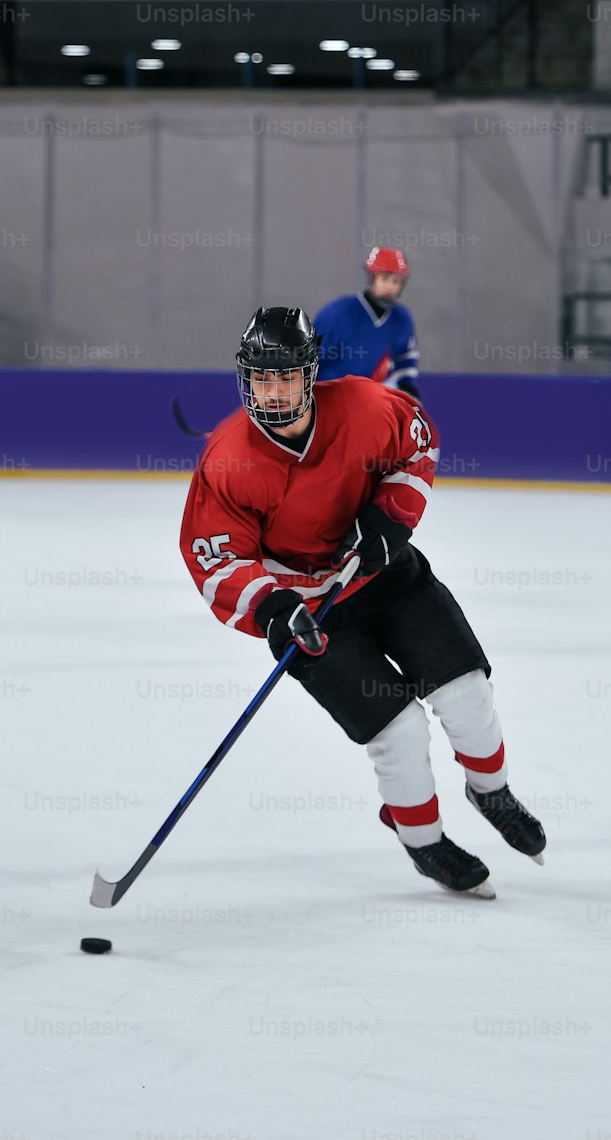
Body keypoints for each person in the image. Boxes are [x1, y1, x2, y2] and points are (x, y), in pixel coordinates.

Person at [179, 306, 545, 897]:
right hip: (310, 616)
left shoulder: (366, 406)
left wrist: (390, 517)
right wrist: (270, 608)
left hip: (385, 580)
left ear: (310, 374)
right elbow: (214, 554)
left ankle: (492, 792)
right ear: (246, 379)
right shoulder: (228, 458)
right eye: (262, 379)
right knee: (398, 731)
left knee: (466, 691)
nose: (273, 393)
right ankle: (424, 843)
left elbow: (417, 444)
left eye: (287, 377)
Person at [314, 245, 421, 403]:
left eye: (396, 281)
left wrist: (406, 387)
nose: (390, 287)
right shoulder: (338, 312)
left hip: (365, 399)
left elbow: (405, 357)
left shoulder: (400, 317)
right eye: (384, 279)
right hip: (326, 397)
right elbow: (308, 355)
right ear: (372, 278)